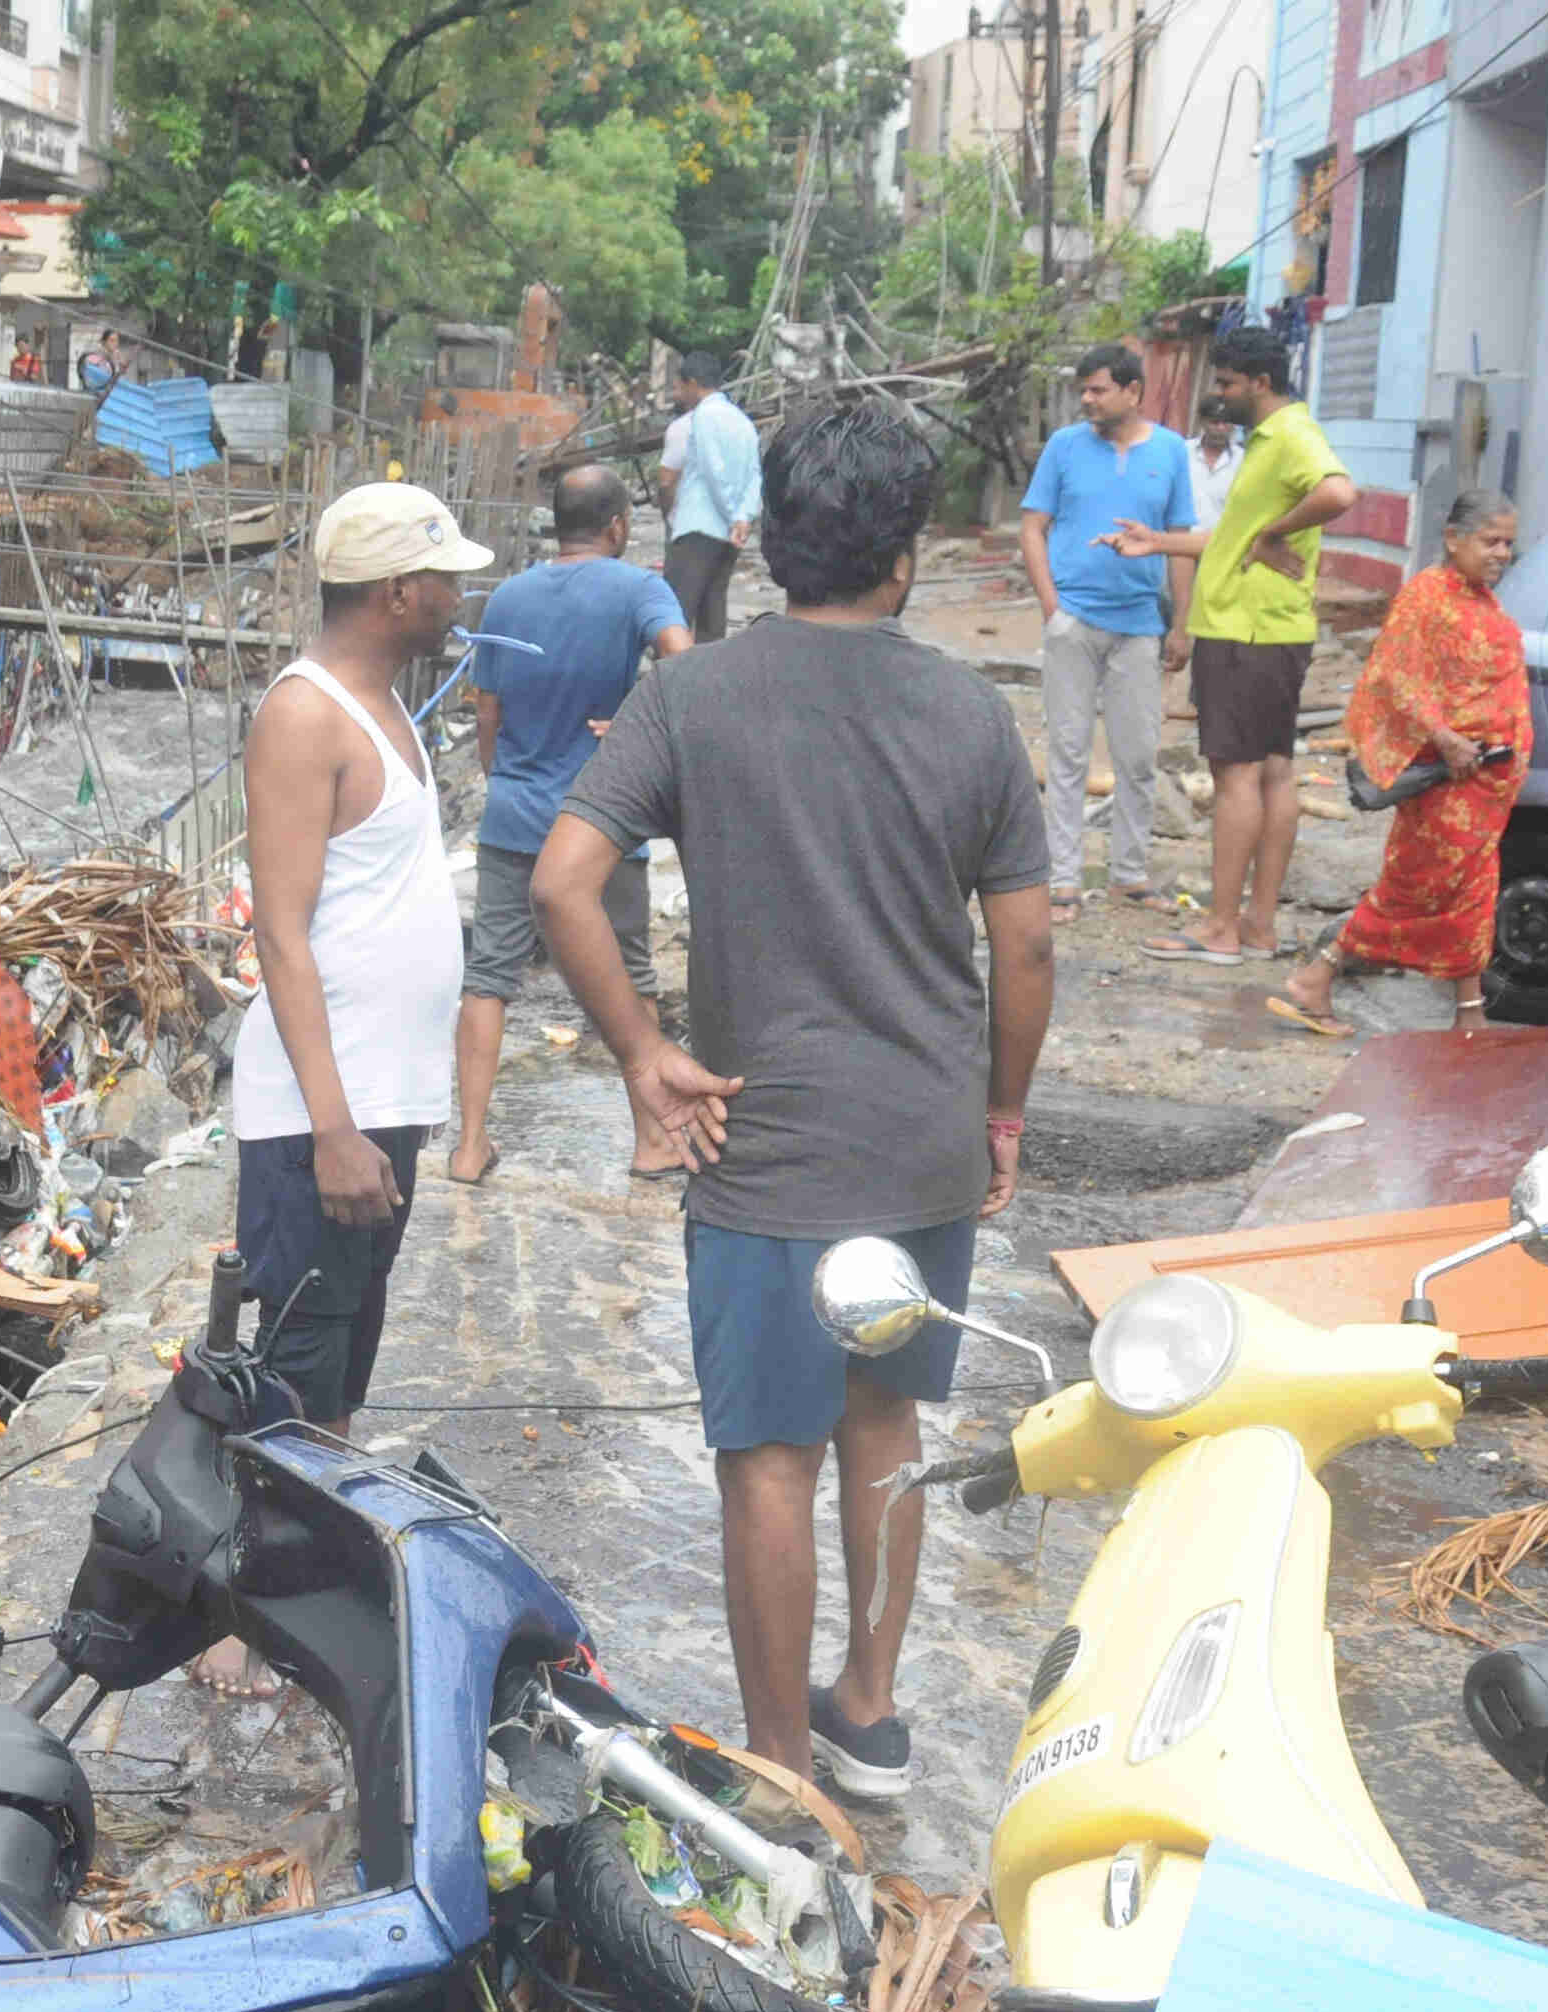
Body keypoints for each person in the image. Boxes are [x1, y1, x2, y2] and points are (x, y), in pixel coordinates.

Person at [532, 399, 1054, 1800]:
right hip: (922, 1138)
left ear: (765, 540)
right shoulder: (970, 713)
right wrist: (1001, 1113)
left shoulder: (690, 697)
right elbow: (1029, 946)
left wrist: (643, 1053)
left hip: (762, 1144)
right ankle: (869, 1719)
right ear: (906, 556)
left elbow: (560, 880)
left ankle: (780, 1773)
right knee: (886, 1426)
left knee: (769, 1459)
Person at [216, 483, 487, 1685]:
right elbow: (279, 932)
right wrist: (330, 1125)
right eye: (445, 578)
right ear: (395, 591)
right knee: (280, 1363)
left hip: (379, 1101)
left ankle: (301, 1582)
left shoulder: (387, 706)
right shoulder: (303, 715)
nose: (459, 594)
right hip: (316, 1114)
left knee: (338, 1363)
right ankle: (232, 1615)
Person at [453, 465, 694, 1186]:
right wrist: (635, 725)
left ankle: (468, 1146)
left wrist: (508, 780)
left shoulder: (507, 596)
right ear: (618, 524)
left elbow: (486, 713)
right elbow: (685, 665)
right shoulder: (639, 587)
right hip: (604, 817)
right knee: (631, 974)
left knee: (488, 977)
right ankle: (652, 1140)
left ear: (558, 524)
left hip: (513, 816)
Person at [1107, 324, 1357, 964]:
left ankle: (1220, 929)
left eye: (1226, 384)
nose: (1218, 396)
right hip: (1271, 631)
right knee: (1275, 773)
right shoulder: (1272, 441)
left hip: (1245, 631)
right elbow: (1236, 538)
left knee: (1237, 777)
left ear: (1261, 384)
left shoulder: (1291, 435)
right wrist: (1157, 542)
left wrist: (1277, 531)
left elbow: (1338, 492)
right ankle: (1257, 927)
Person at [1270, 491, 1530, 1036]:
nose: (1502, 553)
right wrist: (1445, 736)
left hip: (1485, 786)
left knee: (1473, 895)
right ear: (1454, 539)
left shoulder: (1482, 602)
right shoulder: (1427, 597)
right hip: (1448, 779)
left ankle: (1469, 1013)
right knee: (1414, 889)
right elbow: (1396, 676)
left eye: (1509, 543)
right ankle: (1318, 976)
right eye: (1491, 541)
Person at [1019, 343, 1195, 909]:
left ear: (1132, 391)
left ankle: (1129, 875)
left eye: (1097, 389)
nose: (1087, 400)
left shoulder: (1170, 452)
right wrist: (1054, 609)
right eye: (1084, 390)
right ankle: (1063, 878)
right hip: (1073, 620)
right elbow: (1032, 527)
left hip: (1141, 624)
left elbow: (1181, 545)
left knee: (1138, 755)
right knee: (1068, 753)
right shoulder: (1064, 447)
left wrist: (1181, 625)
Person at [660, 349, 763, 642]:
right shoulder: (743, 422)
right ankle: (710, 681)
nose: (680, 393)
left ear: (693, 383)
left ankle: (669, 681)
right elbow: (755, 474)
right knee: (712, 613)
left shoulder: (704, 416)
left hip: (698, 527)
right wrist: (742, 518)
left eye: (681, 386)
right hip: (730, 536)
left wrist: (733, 515)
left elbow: (713, 470)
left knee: (676, 615)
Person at [1186, 410, 1245, 530]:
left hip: (1221, 544)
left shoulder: (1243, 460)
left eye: (1226, 423)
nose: (1221, 428)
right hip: (1178, 541)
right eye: (1215, 423)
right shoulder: (1183, 451)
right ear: (1202, 422)